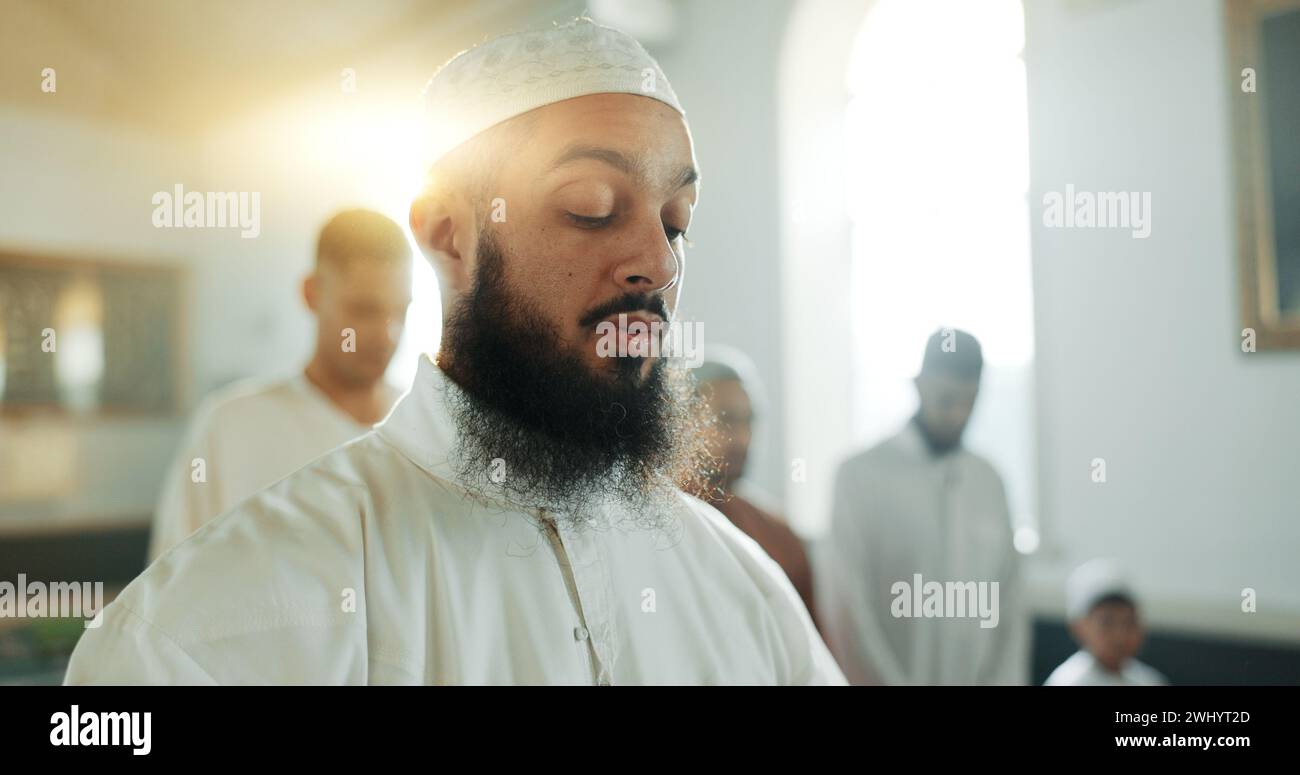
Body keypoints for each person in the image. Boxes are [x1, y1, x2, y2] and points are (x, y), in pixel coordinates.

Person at [65, 18, 843, 686]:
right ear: (448, 235)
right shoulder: (204, 630)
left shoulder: (743, 590)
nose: (659, 261)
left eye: (675, 220)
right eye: (591, 208)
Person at [147, 209, 412, 560]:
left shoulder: (422, 433)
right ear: (311, 293)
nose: (386, 334)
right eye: (363, 311)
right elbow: (171, 584)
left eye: (400, 312)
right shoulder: (231, 428)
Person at [817, 328, 1028, 685]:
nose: (958, 414)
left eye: (969, 401)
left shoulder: (989, 481)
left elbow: (1010, 609)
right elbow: (846, 608)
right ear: (918, 385)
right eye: (946, 399)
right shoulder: (860, 476)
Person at [691, 351, 818, 626]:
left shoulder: (779, 536)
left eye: (749, 421)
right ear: (683, 422)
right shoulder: (650, 526)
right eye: (725, 419)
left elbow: (812, 652)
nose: (743, 438)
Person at [1044, 558, 1167, 686]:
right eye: (1107, 623)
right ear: (1079, 627)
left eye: (1129, 622)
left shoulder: (1149, 681)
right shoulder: (1067, 682)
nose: (1120, 635)